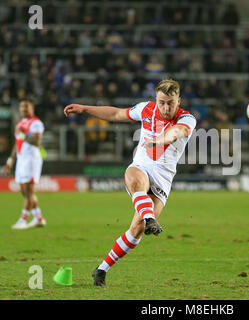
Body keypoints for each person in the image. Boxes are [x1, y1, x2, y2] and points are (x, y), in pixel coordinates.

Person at [64, 79, 197, 286]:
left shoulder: (187, 118)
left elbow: (176, 132)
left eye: (170, 103)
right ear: (156, 99)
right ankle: (150, 217)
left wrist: (158, 140)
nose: (165, 107)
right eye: (161, 102)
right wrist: (85, 108)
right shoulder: (146, 109)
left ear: (178, 101)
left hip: (163, 179)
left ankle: (101, 269)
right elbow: (116, 114)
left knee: (136, 230)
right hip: (141, 167)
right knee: (135, 180)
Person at [3, 99, 46, 229]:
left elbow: (37, 142)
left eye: (26, 107)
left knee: (29, 190)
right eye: (21, 107)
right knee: (24, 191)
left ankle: (23, 219)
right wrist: (11, 160)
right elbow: (17, 143)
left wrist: (24, 137)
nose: (23, 109)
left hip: (31, 159)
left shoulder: (36, 123)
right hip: (21, 159)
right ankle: (39, 218)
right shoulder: (20, 123)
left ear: (32, 108)